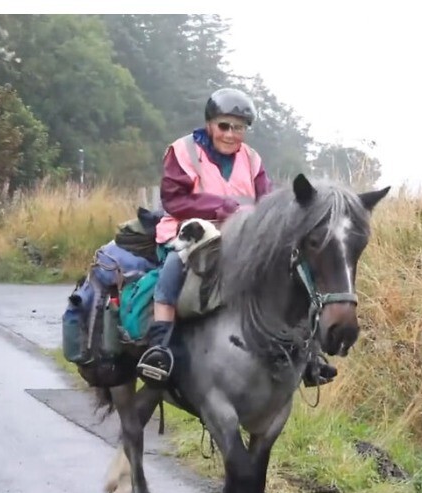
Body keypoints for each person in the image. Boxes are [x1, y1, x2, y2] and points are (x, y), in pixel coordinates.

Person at [136, 87, 337, 388]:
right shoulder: (183, 151)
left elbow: (265, 200)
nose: (231, 134)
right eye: (224, 126)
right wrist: (219, 207)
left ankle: (308, 355)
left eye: (239, 128)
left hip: (241, 235)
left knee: (289, 271)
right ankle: (159, 350)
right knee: (173, 270)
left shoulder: (252, 159)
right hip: (189, 232)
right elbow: (173, 199)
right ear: (210, 124)